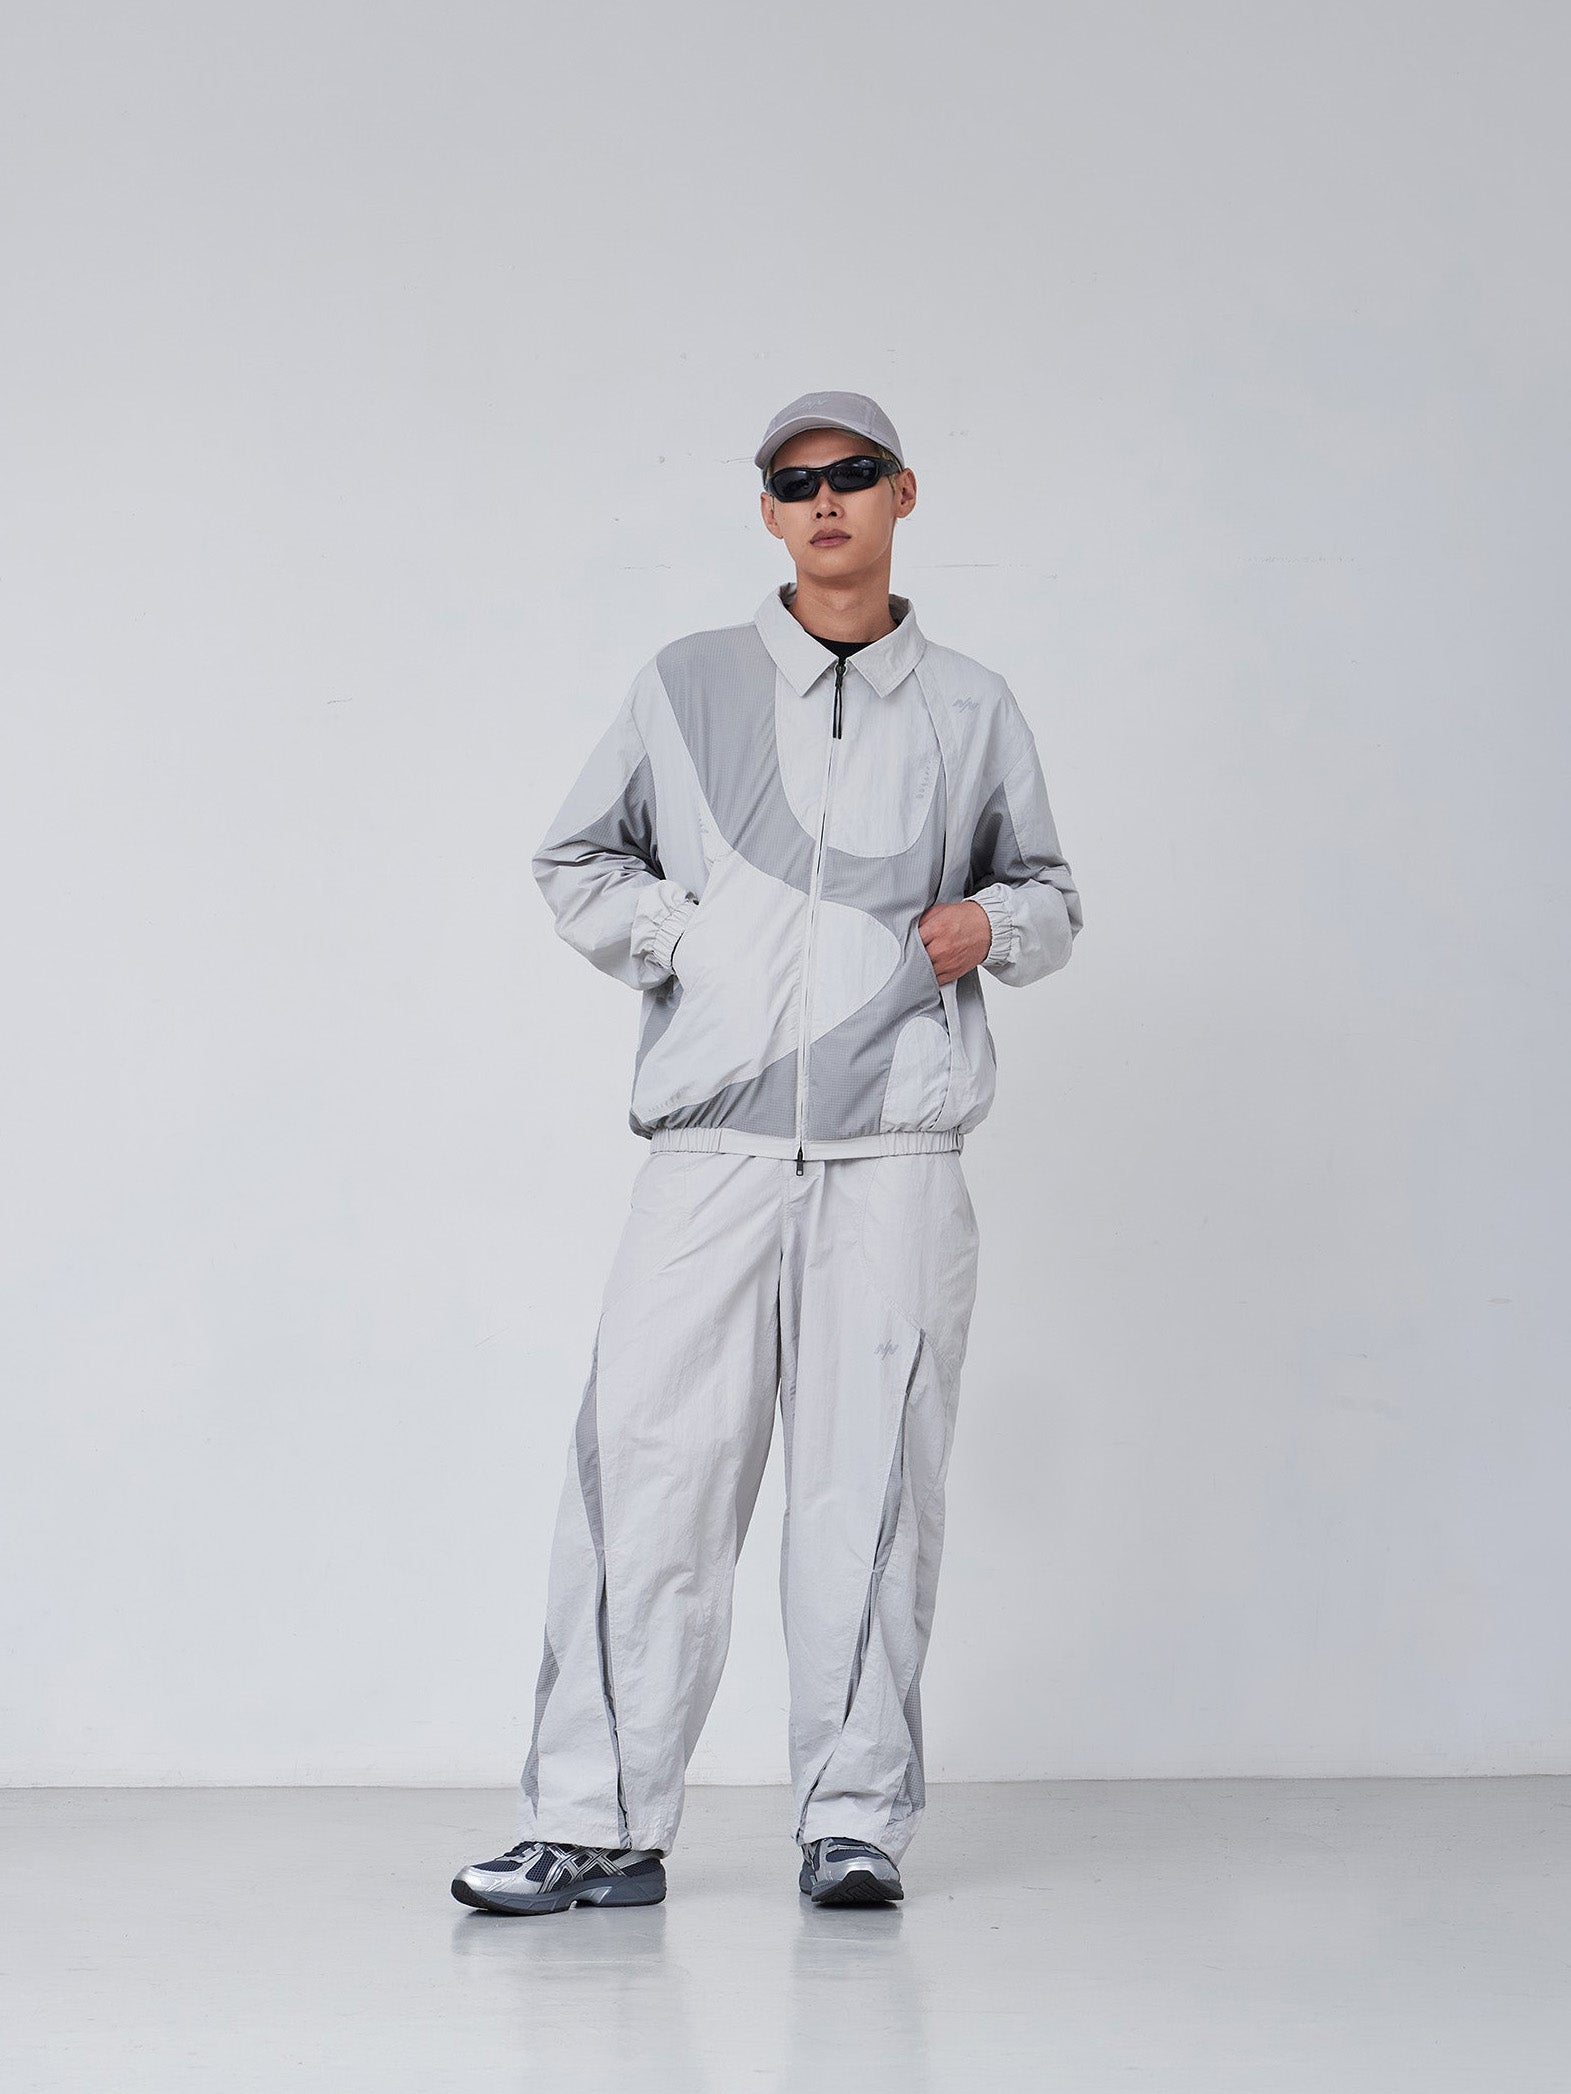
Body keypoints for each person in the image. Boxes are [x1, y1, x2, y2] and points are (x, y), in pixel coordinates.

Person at [451, 390, 1083, 1916]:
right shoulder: (686, 685)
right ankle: (594, 1822)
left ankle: (853, 1820)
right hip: (712, 1147)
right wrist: (688, 938)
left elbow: (1053, 898)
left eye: (853, 474)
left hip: (897, 1152)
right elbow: (575, 856)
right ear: (767, 512)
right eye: (796, 483)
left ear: (902, 495)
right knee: (647, 1469)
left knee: (870, 1495)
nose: (825, 500)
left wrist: (989, 923)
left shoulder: (973, 706)